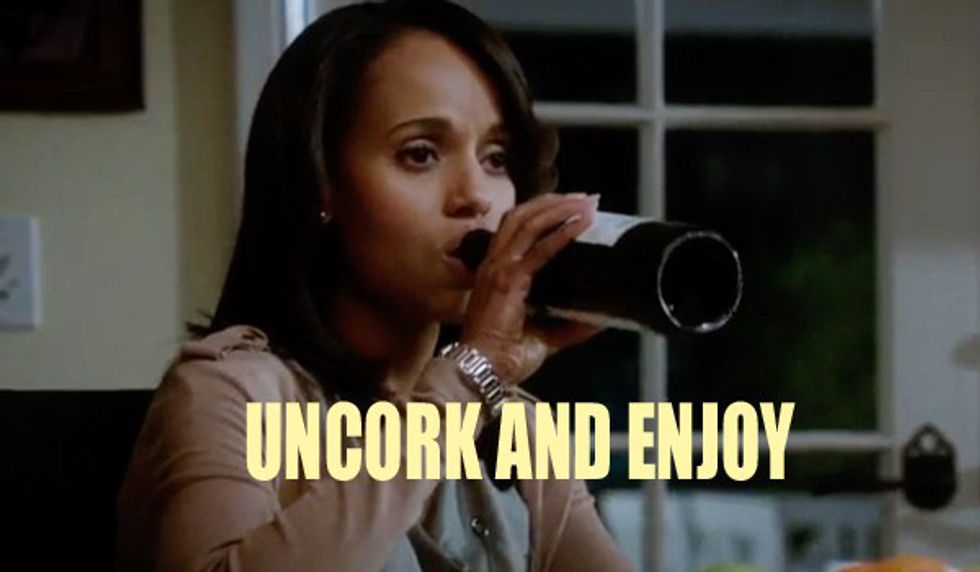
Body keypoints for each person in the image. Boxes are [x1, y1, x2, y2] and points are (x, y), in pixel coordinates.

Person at [116, 1, 635, 570]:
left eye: (496, 157)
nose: (476, 197)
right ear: (321, 184)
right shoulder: (230, 391)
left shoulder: (514, 425)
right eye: (421, 154)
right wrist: (472, 371)